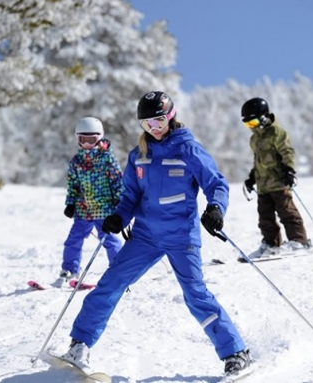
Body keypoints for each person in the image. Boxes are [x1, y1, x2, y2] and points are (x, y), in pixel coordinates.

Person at [62, 91, 251, 376]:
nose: (154, 127)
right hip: (146, 235)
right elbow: (130, 197)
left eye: (159, 120)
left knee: (195, 294)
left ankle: (235, 352)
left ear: (171, 116)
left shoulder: (188, 149)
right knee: (110, 283)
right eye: (147, 123)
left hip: (181, 235)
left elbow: (217, 184)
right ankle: (80, 344)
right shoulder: (139, 155)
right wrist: (118, 217)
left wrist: (215, 209)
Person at [241, 97, 310, 260]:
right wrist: (252, 177)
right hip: (263, 185)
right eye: (248, 124)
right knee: (264, 217)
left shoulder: (276, 132)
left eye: (253, 122)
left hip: (278, 181)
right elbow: (257, 160)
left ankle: (299, 241)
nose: (251, 127)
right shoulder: (254, 139)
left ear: (263, 116)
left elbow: (287, 152)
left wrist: (289, 170)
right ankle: (271, 244)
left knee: (287, 212)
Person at [60, 117, 124, 281]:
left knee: (109, 241)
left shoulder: (106, 158)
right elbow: (73, 185)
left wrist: (119, 199)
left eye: (92, 140)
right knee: (73, 240)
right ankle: (70, 269)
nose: (88, 144)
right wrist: (71, 204)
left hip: (103, 210)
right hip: (83, 210)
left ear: (100, 138)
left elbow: (117, 180)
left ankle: (118, 271)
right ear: (78, 139)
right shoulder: (76, 161)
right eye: (84, 140)